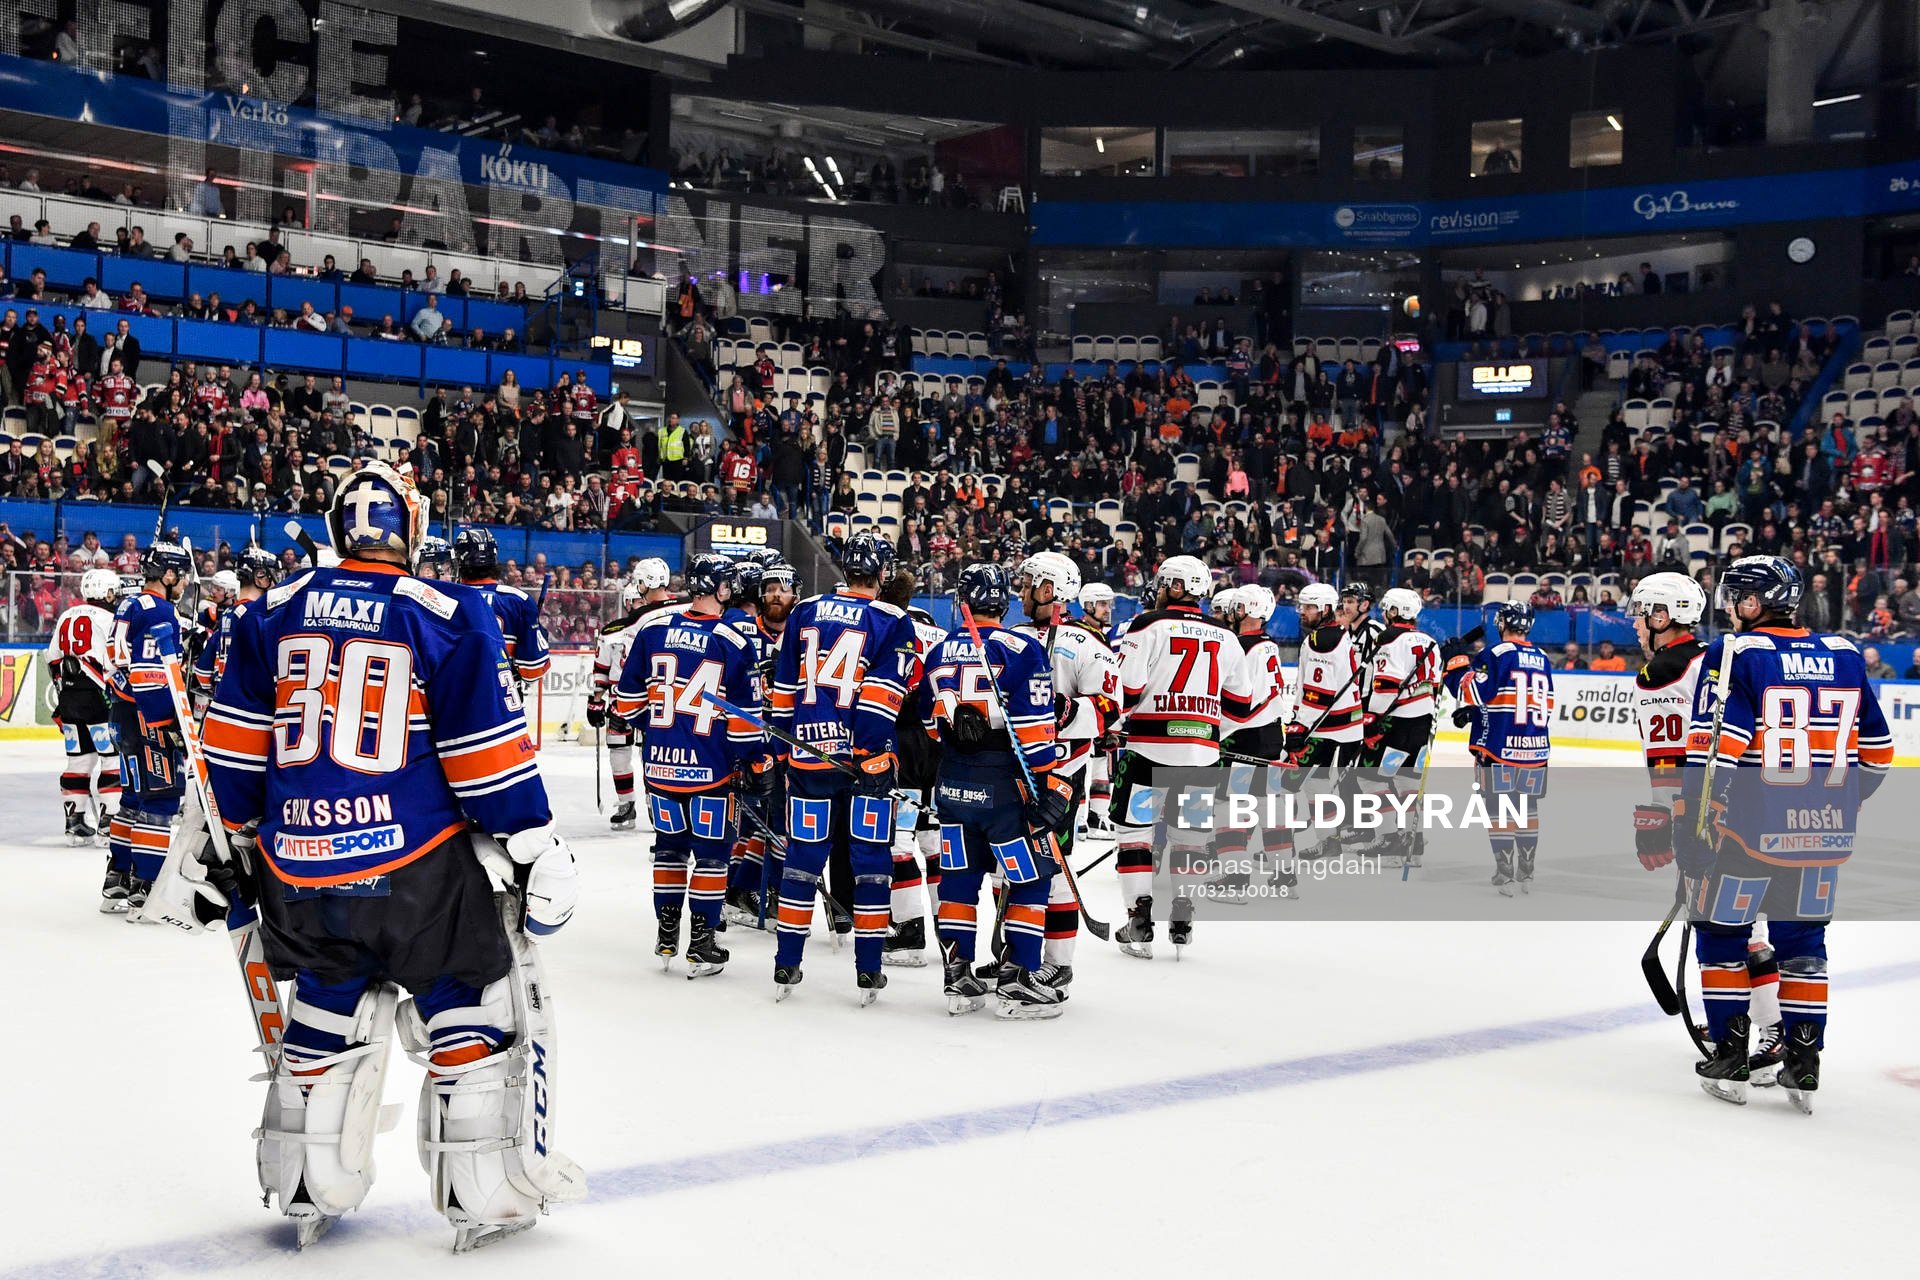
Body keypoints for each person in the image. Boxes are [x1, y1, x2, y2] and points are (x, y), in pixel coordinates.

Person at [201, 461, 582, 1247]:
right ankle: (483, 1192)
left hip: (298, 871)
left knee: (323, 1005)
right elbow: (486, 757)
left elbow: (231, 759)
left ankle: (304, 1180)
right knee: (468, 1005)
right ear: (409, 528)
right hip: (415, 869)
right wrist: (533, 839)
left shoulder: (270, 611)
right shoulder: (444, 611)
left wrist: (228, 849)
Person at [1681, 556, 1892, 1111]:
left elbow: (1715, 748)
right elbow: (1879, 753)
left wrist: (1696, 822)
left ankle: (1729, 1057)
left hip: (1747, 830)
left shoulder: (1734, 653)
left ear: (1755, 602)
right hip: (1822, 836)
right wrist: (1839, 803)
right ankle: (1803, 1063)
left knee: (1722, 937)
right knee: (1804, 949)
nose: (1729, 606)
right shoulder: (1846, 653)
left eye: (1736, 596)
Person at [1625, 572, 1785, 1082]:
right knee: (1731, 922)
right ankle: (1742, 1026)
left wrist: (1674, 815)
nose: (1634, 622)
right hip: (1735, 809)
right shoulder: (1689, 664)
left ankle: (1769, 1029)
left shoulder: (1688, 667)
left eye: (1642, 612)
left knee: (1736, 925)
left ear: (1662, 617)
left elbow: (1695, 754)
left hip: (1722, 814)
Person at [767, 530, 920, 1001]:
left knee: (803, 858)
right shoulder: (893, 619)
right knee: (870, 861)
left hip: (808, 760)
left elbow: (784, 687)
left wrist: (782, 746)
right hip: (863, 765)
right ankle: (869, 969)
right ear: (882, 573)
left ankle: (787, 963)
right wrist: (872, 752)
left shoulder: (805, 610)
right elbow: (880, 696)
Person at [919, 562, 1073, 1018]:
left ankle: (959, 977)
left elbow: (932, 728)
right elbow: (1035, 733)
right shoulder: (1022, 647)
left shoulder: (940, 650)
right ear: (1002, 601)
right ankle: (1020, 978)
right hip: (1006, 787)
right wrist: (1050, 786)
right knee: (1030, 876)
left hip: (952, 785)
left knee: (960, 879)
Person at [613, 553, 766, 977]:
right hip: (711, 772)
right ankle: (701, 943)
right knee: (713, 856)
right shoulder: (733, 640)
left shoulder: (652, 630)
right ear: (720, 588)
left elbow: (625, 705)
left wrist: (663, 730)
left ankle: (666, 936)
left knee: (669, 850)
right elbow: (745, 724)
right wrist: (756, 760)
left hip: (659, 768)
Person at [1109, 555, 1255, 959]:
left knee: (1134, 834)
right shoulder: (1226, 637)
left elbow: (1127, 690)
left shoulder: (1146, 625)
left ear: (1172, 586)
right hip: (1201, 755)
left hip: (1146, 751)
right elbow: (1241, 706)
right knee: (1188, 837)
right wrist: (1205, 729)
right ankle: (1182, 912)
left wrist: (1114, 724)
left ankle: (1139, 918)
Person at [1011, 552, 1120, 991]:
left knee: (1053, 868)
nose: (1020, 592)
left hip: (1061, 772)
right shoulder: (1011, 635)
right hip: (1011, 768)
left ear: (1049, 590)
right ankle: (1015, 955)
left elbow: (1110, 708)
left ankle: (1058, 961)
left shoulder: (1088, 645)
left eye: (1028, 584)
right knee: (1012, 865)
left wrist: (1064, 708)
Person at [102, 539, 192, 913]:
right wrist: (169, 724)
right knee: (161, 800)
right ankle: (147, 887)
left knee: (133, 798)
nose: (185, 582)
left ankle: (117, 878)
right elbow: (149, 674)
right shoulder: (160, 611)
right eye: (182, 575)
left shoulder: (131, 603)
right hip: (148, 715)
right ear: (168, 574)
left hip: (122, 714)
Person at [1442, 600, 1553, 895]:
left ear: (1503, 623)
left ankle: (1504, 873)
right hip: (1535, 748)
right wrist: (1477, 714)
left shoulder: (1495, 653)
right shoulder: (1542, 656)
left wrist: (1455, 661)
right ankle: (1526, 872)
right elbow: (1518, 699)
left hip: (1498, 748)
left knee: (1499, 807)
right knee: (1527, 806)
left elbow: (1472, 689)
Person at [1359, 587, 1441, 866]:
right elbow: (1436, 686)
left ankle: (1389, 839)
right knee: (1408, 781)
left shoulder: (1389, 640)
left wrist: (1372, 722)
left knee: (1369, 776)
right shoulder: (1431, 641)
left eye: (1387, 609)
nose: (1384, 613)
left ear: (1394, 612)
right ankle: (1413, 842)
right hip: (1422, 721)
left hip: (1395, 721)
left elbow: (1384, 686)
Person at [45, 569, 122, 844]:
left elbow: (52, 658)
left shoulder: (67, 615)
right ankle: (110, 823)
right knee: (112, 759)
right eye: (114, 591)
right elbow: (113, 660)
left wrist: (65, 692)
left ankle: (74, 823)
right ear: (105, 592)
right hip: (98, 698)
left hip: (69, 699)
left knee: (79, 759)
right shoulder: (110, 619)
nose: (116, 596)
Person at [588, 577, 653, 831]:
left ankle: (655, 804)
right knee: (618, 756)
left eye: (642, 600)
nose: (640, 604)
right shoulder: (611, 632)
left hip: (650, 701)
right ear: (627, 602)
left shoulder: (656, 626)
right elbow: (601, 668)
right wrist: (595, 701)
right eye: (636, 600)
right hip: (618, 702)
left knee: (652, 755)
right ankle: (627, 804)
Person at [454, 527, 550, 688]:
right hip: (503, 702)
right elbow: (533, 671)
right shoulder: (519, 601)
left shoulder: (445, 596)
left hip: (454, 699)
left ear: (459, 559)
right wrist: (540, 634)